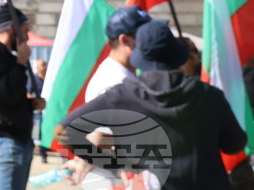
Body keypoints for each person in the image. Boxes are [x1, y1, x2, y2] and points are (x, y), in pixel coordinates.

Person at [59, 20, 247, 190]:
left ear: (139, 55)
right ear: (179, 56)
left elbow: (65, 132)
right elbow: (235, 144)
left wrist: (111, 162)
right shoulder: (209, 95)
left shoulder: (122, 96)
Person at [0, 0, 45, 190]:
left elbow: (14, 98)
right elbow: (5, 95)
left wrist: (30, 104)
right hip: (8, 140)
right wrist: (21, 63)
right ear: (13, 30)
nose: (27, 38)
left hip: (22, 139)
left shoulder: (11, 59)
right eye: (25, 31)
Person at [86, 6, 151, 102]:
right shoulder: (112, 85)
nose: (152, 40)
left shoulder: (123, 76)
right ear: (125, 41)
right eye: (146, 36)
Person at [28, 59, 48, 163]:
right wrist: (36, 102)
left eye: (45, 64)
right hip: (39, 111)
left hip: (49, 109)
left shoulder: (50, 79)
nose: (45, 67)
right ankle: (42, 154)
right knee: (40, 133)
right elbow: (28, 93)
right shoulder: (34, 80)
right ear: (37, 68)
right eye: (42, 65)